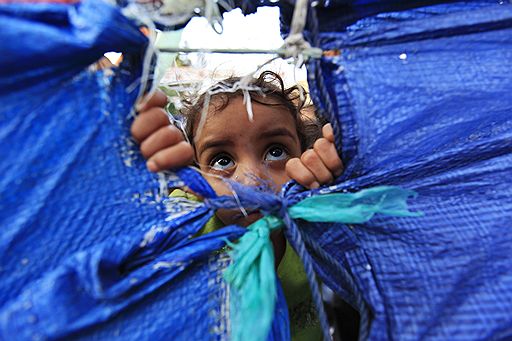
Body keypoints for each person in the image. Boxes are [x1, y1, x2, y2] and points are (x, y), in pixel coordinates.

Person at [131, 71, 344, 340]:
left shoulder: (319, 223)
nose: (251, 182)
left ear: (304, 157)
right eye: (222, 160)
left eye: (275, 152)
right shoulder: (185, 224)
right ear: (196, 176)